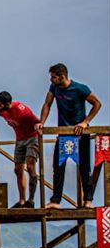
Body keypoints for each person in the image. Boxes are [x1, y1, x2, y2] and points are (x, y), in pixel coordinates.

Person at [35, 63, 103, 208]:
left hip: (80, 133)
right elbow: (47, 103)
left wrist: (85, 122)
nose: (51, 80)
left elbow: (97, 104)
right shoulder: (54, 87)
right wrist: (41, 122)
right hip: (64, 134)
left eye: (53, 77)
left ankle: (88, 200)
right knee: (58, 167)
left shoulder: (79, 88)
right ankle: (55, 201)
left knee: (84, 168)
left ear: (62, 77)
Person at [0, 91, 41, 208]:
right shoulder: (1, 112)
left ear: (8, 103)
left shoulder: (22, 111)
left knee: (30, 168)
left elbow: (37, 121)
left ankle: (30, 200)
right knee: (18, 170)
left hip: (32, 138)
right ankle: (22, 200)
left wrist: (38, 127)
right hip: (20, 140)